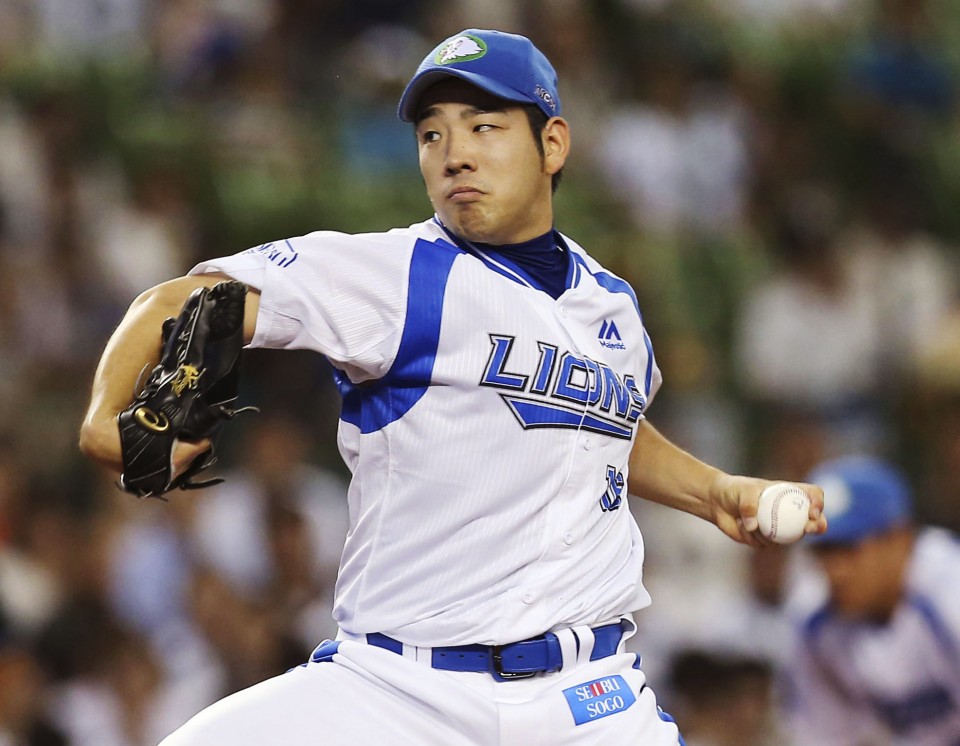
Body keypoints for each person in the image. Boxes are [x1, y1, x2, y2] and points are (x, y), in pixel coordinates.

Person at [79, 29, 826, 745]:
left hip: (590, 697)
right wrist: (104, 416)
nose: (454, 153)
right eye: (432, 134)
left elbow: (603, 427)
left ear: (552, 143)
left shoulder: (614, 306)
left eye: (484, 126)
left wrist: (714, 490)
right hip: (396, 692)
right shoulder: (396, 274)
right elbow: (182, 302)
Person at [788, 455, 960, 745]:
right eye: (825, 552)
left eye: (849, 549)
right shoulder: (815, 622)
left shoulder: (948, 586)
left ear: (900, 539)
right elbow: (824, 737)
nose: (836, 571)